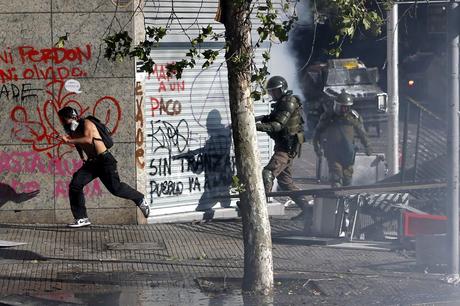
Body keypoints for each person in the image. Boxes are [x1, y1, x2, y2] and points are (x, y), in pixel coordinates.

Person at [57, 106, 150, 228]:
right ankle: (81, 217)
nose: (63, 123)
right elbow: (78, 143)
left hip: (105, 160)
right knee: (75, 185)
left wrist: (68, 141)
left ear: (72, 117)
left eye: (64, 120)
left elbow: (88, 139)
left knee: (115, 189)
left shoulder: (87, 123)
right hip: (92, 163)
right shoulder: (73, 129)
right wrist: (82, 157)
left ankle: (140, 198)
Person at [256, 75, 312, 221]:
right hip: (284, 145)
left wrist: (254, 126)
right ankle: (308, 210)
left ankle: (261, 209)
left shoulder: (289, 102)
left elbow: (277, 125)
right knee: (285, 182)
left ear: (282, 89)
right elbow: (273, 118)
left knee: (268, 173)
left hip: (286, 148)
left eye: (275, 91)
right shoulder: (282, 102)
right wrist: (261, 118)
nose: (273, 94)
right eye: (271, 92)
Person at [312, 90, 372, 187]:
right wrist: (317, 148)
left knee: (347, 179)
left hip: (348, 153)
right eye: (342, 107)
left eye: (347, 107)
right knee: (336, 177)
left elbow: (362, 132)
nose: (344, 110)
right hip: (333, 152)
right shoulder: (328, 116)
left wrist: (367, 146)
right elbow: (317, 133)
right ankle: (336, 198)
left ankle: (346, 200)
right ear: (337, 105)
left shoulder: (353, 117)